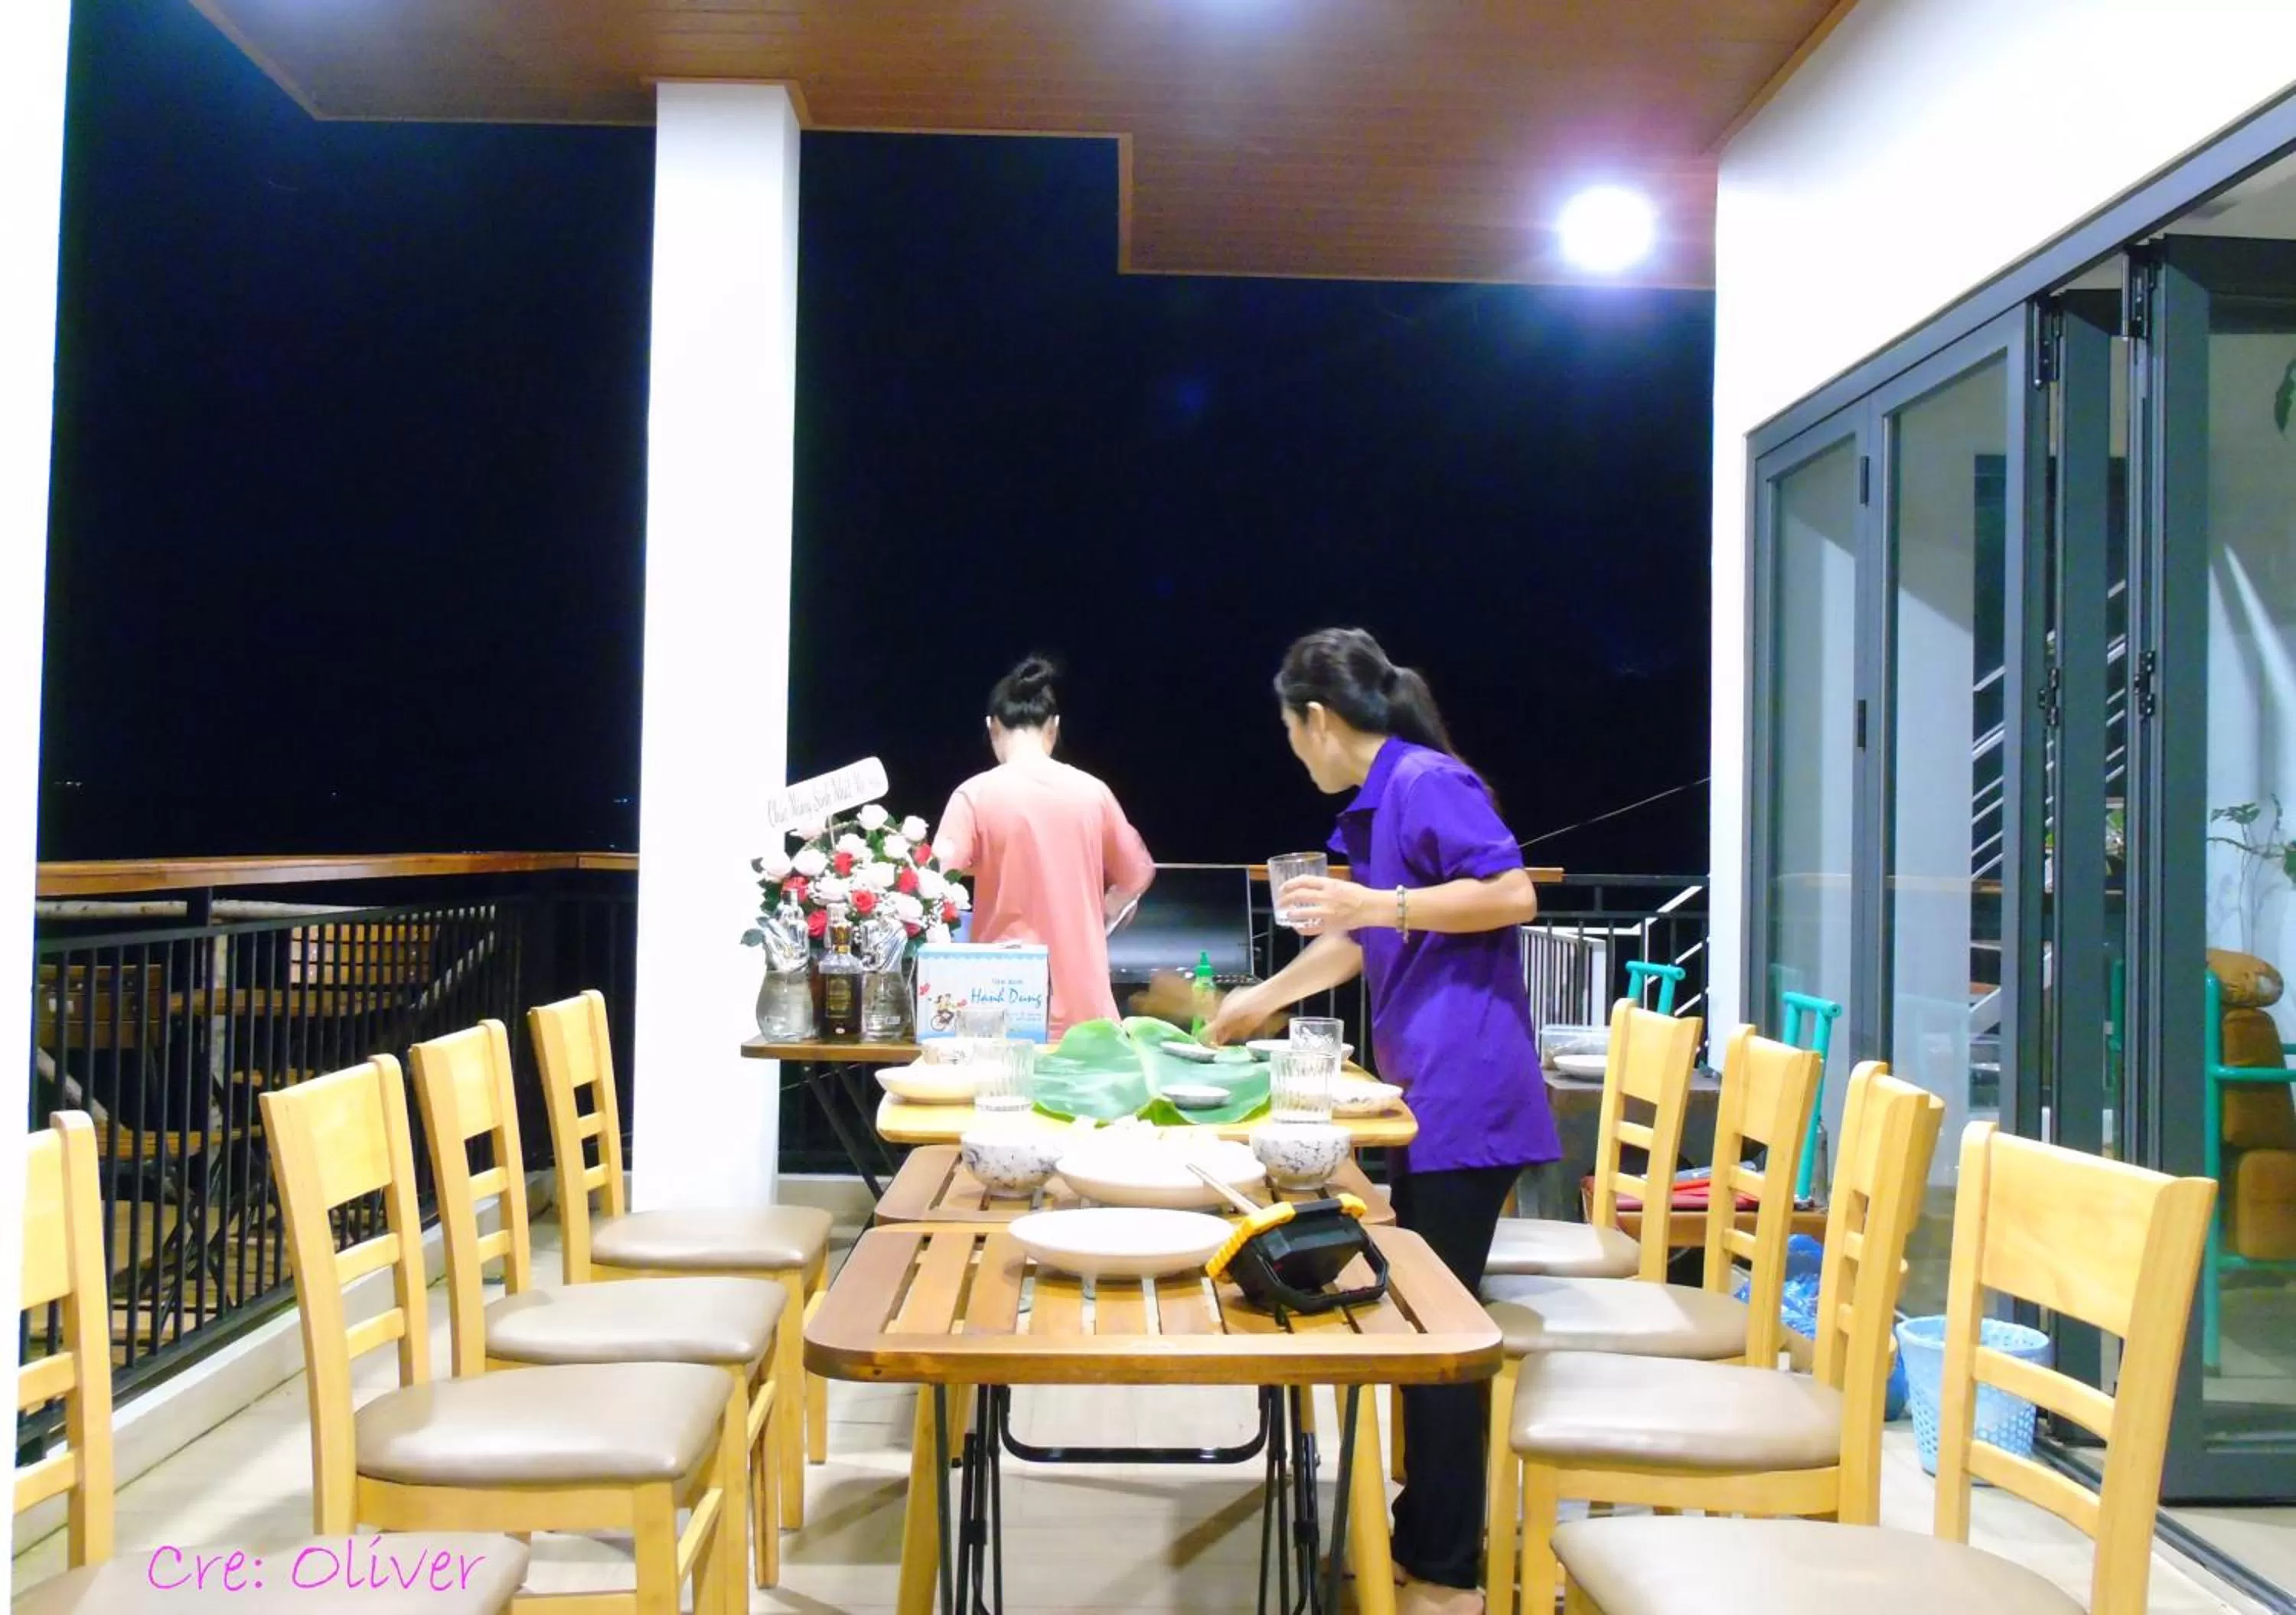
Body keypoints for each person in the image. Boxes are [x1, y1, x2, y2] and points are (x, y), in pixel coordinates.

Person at [1205, 628, 1555, 1615]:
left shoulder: (1428, 781)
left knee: (1433, 1330)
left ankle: (1444, 1569)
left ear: (1317, 719)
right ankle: (1413, 1533)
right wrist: (1262, 998)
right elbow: (1358, 937)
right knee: (1414, 1314)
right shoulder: (1377, 799)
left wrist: (1388, 902)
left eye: (1289, 731)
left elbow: (1512, 892)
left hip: (1467, 1088)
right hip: (1423, 1085)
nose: (1294, 749)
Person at [934, 655, 1156, 1036]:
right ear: (1054, 727)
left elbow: (936, 885)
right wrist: (1105, 913)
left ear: (992, 728)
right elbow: (1138, 873)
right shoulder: (1093, 792)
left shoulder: (974, 795)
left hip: (998, 999)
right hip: (1085, 1003)